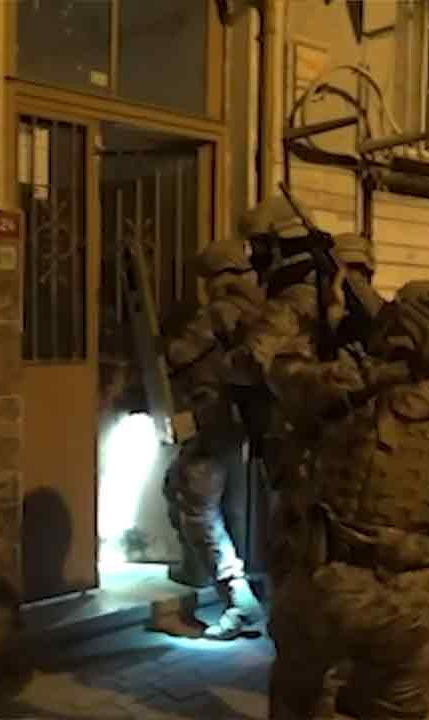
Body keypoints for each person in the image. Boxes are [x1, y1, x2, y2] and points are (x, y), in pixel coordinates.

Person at [264, 278, 429, 720]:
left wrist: (314, 316)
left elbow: (282, 373)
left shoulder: (358, 390)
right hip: (416, 598)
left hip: (336, 585)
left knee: (299, 698)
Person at [161, 240, 266, 640]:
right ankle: (200, 571)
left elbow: (179, 354)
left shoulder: (221, 312)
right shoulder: (258, 312)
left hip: (214, 422)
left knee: (198, 507)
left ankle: (238, 600)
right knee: (185, 493)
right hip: (235, 424)